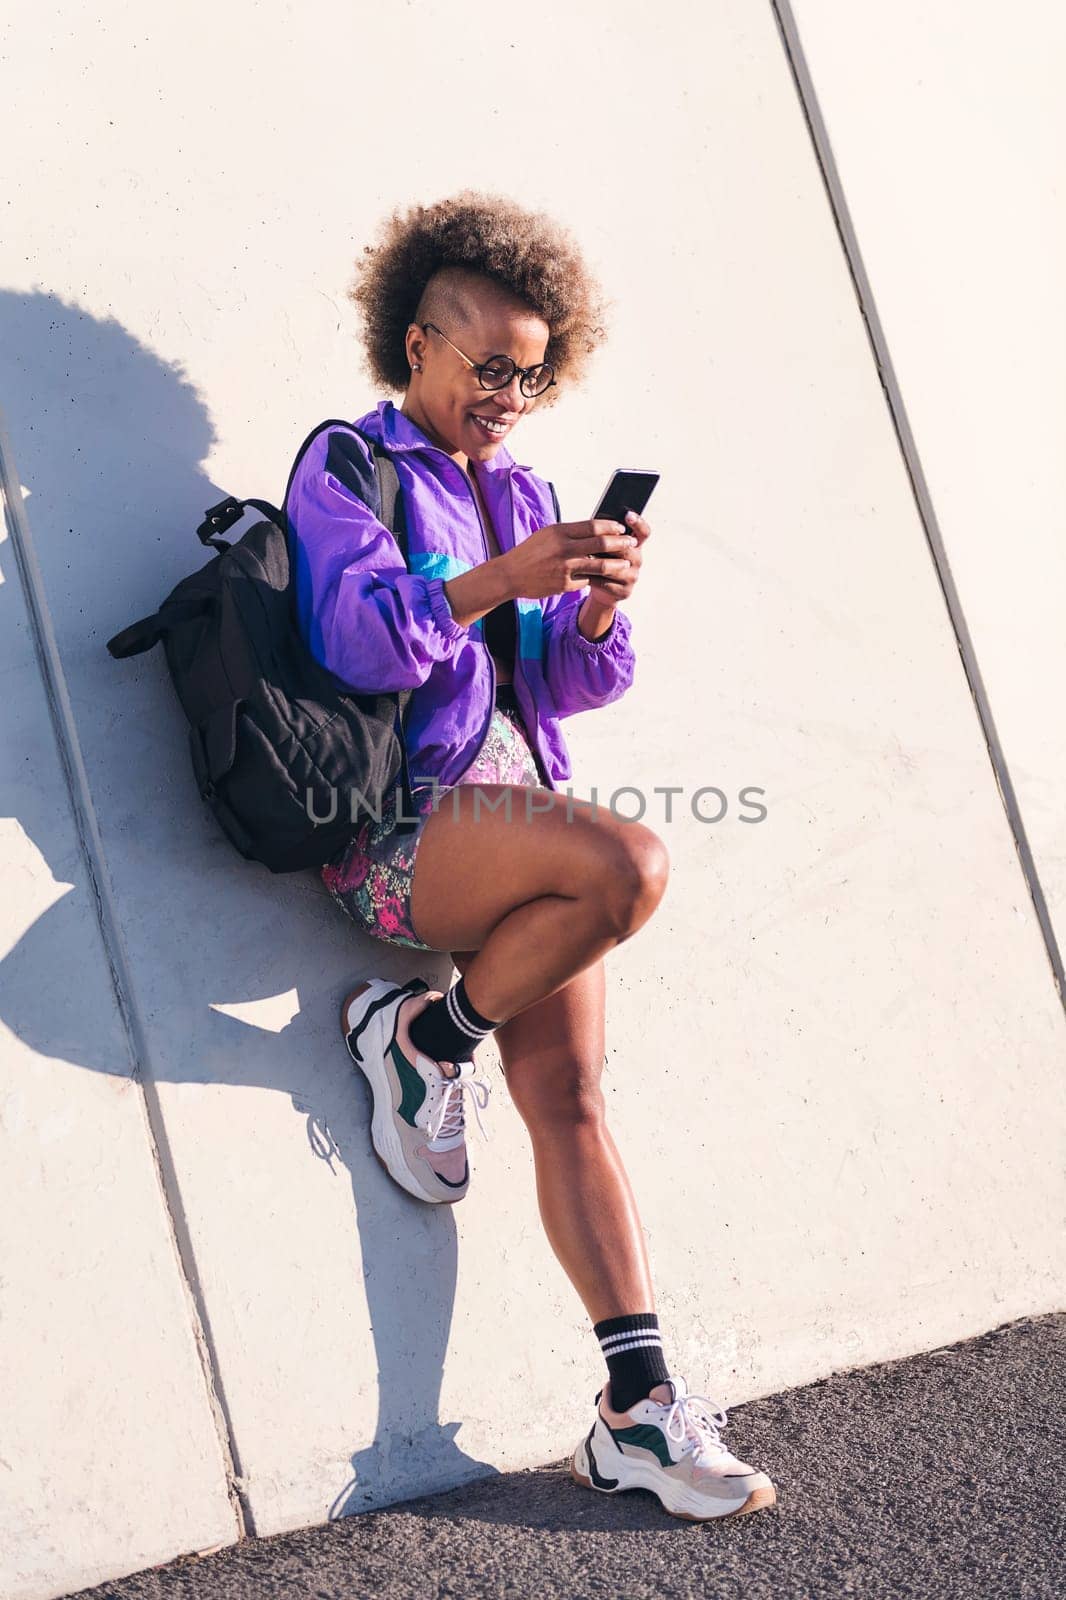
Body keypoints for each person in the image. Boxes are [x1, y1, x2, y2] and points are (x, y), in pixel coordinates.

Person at [285, 191, 776, 1521]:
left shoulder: (524, 487)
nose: (511, 391)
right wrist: (498, 576)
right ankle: (428, 1042)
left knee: (570, 1105)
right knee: (628, 870)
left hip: (514, 820)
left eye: (534, 370)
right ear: (420, 343)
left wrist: (597, 605)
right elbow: (360, 642)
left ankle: (635, 1410)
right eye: (489, 362)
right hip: (398, 830)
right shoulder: (350, 465)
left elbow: (552, 689)